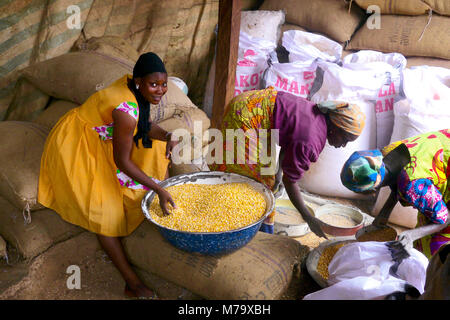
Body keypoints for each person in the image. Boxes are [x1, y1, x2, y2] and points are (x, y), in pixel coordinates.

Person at [38, 52, 178, 299]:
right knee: (107, 214)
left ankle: (152, 194)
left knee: (156, 147)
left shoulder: (133, 91)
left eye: (164, 84)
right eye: (153, 84)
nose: (160, 90)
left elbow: (143, 126)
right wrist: (158, 189)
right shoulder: (126, 109)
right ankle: (132, 284)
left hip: (105, 135)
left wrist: (168, 136)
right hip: (79, 142)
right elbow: (122, 161)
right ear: (138, 82)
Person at [209, 88, 366, 237]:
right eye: (345, 139)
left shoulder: (317, 119)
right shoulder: (311, 140)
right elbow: (291, 182)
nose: (343, 145)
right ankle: (246, 231)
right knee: (255, 184)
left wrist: (278, 173)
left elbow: (289, 142)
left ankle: (258, 229)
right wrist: (308, 217)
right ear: (336, 127)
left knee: (266, 179)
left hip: (254, 108)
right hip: (247, 116)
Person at [340, 129, 450, 260]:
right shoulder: (386, 155)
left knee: (437, 246)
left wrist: (412, 235)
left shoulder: (413, 186)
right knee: (425, 222)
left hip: (444, 159)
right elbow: (396, 180)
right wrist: (383, 215)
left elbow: (445, 219)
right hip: (442, 149)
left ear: (373, 189)